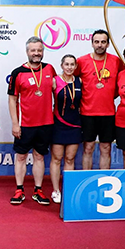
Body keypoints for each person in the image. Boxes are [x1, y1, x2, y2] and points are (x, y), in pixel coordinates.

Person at [8, 36, 56, 205]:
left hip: (45, 123)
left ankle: (38, 190)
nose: (36, 53)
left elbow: (58, 91)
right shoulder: (18, 73)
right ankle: (19, 189)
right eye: (33, 50)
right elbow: (12, 99)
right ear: (27, 52)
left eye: (39, 50)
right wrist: (15, 123)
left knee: (39, 157)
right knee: (21, 157)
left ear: (43, 51)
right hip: (25, 124)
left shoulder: (50, 69)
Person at [74, 29, 124, 170]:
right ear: (92, 44)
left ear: (108, 44)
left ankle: (104, 181)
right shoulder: (82, 61)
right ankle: (86, 180)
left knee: (106, 148)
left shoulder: (116, 61)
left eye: (103, 42)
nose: (100, 45)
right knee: (88, 148)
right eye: (97, 42)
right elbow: (70, 79)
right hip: (87, 112)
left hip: (108, 113)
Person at [49, 54, 82, 204]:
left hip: (75, 124)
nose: (69, 67)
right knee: (57, 158)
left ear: (75, 67)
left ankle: (68, 189)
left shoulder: (79, 81)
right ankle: (56, 190)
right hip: (58, 124)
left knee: (70, 158)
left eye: (72, 65)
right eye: (66, 64)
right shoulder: (55, 81)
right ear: (61, 66)